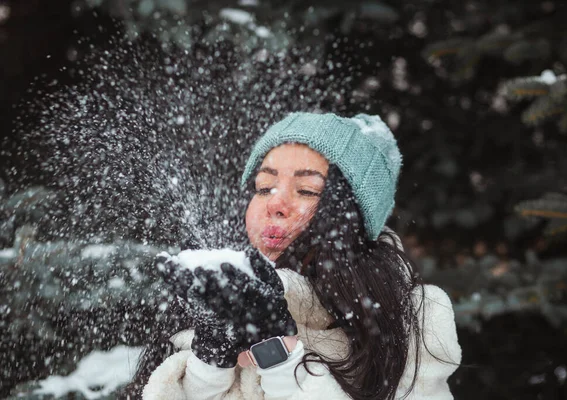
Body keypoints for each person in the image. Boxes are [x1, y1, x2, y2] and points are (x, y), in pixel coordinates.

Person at [123, 112, 462, 399]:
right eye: (264, 187)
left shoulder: (412, 316)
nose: (275, 204)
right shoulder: (223, 295)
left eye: (307, 190)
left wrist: (277, 351)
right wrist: (211, 354)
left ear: (351, 217)